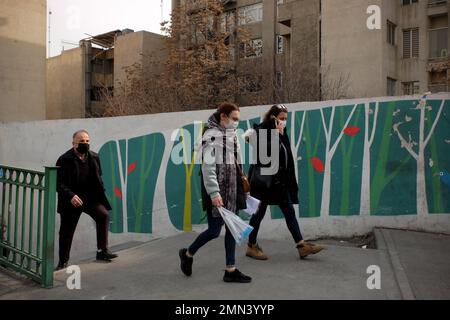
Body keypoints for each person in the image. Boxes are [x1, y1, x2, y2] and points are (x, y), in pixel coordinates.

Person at [179, 102, 252, 283]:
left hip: (233, 189)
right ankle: (187, 254)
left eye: (238, 119)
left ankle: (230, 269)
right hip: (217, 190)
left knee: (232, 229)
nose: (236, 123)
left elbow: (238, 163)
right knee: (213, 231)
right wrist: (214, 193)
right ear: (223, 117)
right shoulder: (210, 136)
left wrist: (243, 188)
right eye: (234, 119)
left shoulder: (231, 135)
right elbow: (208, 167)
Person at [245, 104, 324, 260]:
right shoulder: (261, 131)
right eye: (281, 118)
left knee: (289, 211)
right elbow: (265, 155)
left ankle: (301, 246)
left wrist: (280, 134)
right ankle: (251, 246)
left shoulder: (280, 132)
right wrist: (276, 134)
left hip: (279, 182)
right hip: (264, 183)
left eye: (286, 119)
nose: (284, 122)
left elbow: (285, 155)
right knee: (258, 215)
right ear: (273, 117)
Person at [55, 130, 118, 270]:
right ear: (73, 144)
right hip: (71, 200)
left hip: (89, 198)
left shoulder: (94, 157)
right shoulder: (64, 159)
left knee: (103, 215)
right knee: (66, 232)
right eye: (81, 141)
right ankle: (63, 263)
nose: (85, 144)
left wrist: (99, 191)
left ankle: (102, 251)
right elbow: (57, 183)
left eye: (87, 141)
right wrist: (70, 195)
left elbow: (98, 176)